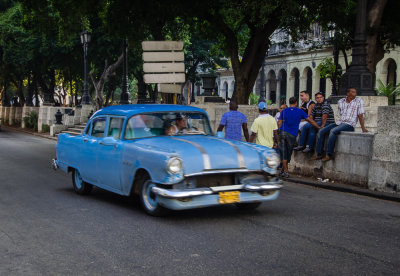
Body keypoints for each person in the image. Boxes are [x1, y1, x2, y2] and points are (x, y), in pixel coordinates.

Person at [311, 87, 368, 162]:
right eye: (353, 92)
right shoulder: (341, 101)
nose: (355, 94)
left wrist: (363, 128)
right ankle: (319, 153)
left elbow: (360, 115)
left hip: (349, 124)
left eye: (355, 92)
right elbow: (340, 114)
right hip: (340, 122)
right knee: (322, 131)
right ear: (348, 93)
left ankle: (329, 154)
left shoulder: (358, 101)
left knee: (333, 131)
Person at [278, 97, 320, 178]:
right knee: (288, 153)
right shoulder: (300, 111)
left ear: (289, 102)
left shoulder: (284, 111)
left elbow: (279, 122)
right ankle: (285, 171)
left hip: (283, 133)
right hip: (292, 134)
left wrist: (278, 132)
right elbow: (310, 120)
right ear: (296, 103)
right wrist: (318, 127)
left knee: (283, 152)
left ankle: (283, 170)